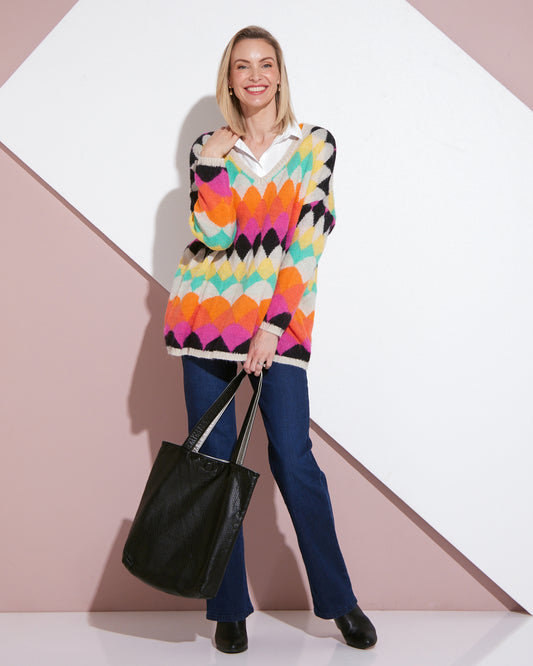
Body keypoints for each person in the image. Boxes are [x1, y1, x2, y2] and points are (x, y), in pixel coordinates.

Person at [164, 25, 377, 654]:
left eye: (265, 64)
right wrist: (211, 164)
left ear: (280, 75)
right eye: (242, 66)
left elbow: (306, 244)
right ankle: (228, 608)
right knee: (215, 465)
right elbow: (213, 235)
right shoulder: (209, 146)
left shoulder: (314, 145)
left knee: (293, 457)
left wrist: (271, 327)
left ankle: (338, 600)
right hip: (205, 322)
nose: (254, 75)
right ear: (229, 80)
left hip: (275, 327)